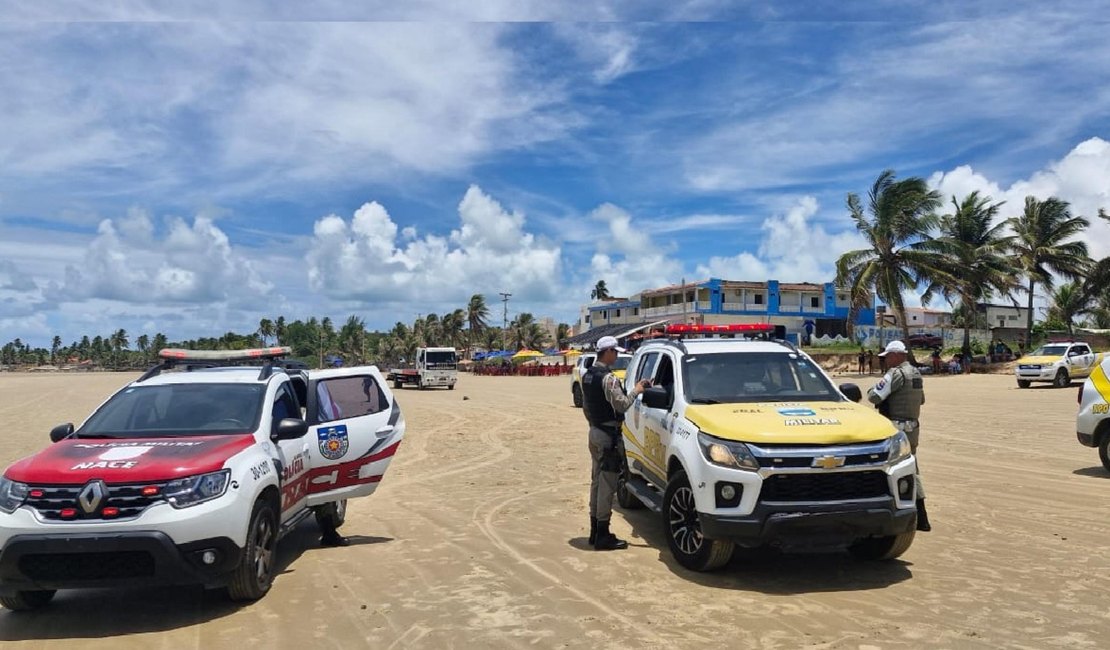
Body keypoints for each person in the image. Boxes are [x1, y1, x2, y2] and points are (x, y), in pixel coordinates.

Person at [582, 336, 650, 551]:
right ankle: (603, 533)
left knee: (596, 482)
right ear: (608, 351)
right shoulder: (608, 378)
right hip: (607, 435)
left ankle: (595, 530)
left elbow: (586, 407)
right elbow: (621, 405)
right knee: (607, 485)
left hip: (594, 431)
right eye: (616, 352)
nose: (617, 355)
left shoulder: (588, 375)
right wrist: (637, 390)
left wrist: (595, 425)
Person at [868, 340, 931, 532]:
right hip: (913, 428)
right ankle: (922, 517)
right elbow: (921, 400)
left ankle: (909, 515)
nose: (885, 361)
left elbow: (874, 396)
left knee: (891, 471)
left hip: (896, 430)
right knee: (913, 467)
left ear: (896, 356)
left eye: (887, 357)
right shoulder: (916, 373)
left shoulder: (896, 373)